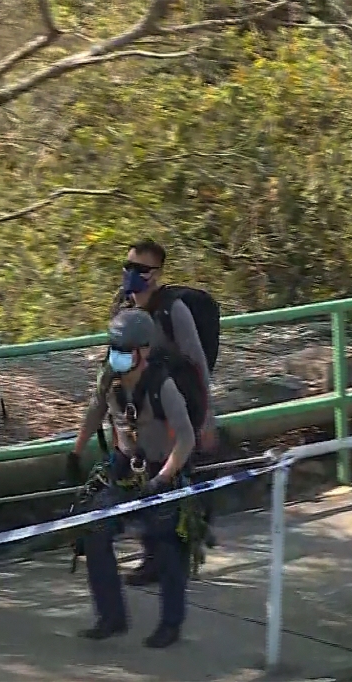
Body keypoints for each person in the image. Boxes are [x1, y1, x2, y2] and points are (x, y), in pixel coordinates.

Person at [72, 238, 218, 587]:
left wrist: (207, 419)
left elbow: (197, 364)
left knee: (167, 492)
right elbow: (109, 375)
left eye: (140, 269)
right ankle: (156, 558)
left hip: (171, 414)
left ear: (157, 274)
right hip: (134, 420)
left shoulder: (173, 311)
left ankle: (169, 565)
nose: (131, 274)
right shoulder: (123, 310)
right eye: (128, 266)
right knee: (136, 489)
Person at [70, 308, 197, 649]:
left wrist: (165, 478)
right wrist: (75, 453)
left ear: (143, 351)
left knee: (167, 548)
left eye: (125, 349)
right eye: (114, 348)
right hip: (123, 469)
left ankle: (170, 624)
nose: (118, 355)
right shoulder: (108, 378)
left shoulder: (162, 386)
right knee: (95, 534)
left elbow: (186, 438)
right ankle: (111, 617)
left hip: (161, 472)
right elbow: (94, 413)